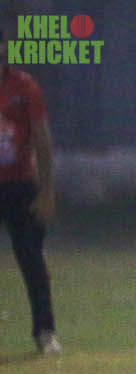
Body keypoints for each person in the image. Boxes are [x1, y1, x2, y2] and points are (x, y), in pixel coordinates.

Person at [0, 34, 60, 354]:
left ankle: (45, 331)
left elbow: (41, 137)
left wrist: (46, 190)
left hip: (19, 184)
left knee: (31, 258)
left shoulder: (23, 86)